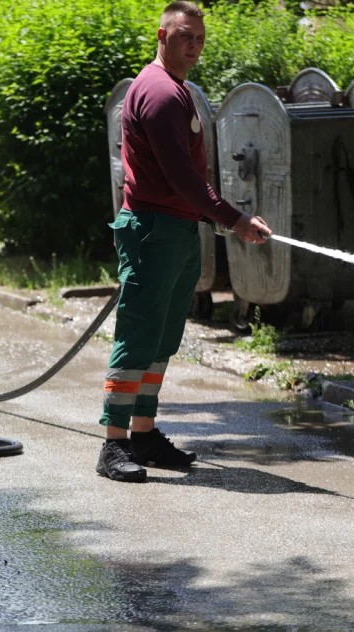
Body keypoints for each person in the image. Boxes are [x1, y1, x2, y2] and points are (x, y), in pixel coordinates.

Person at [97, 1, 273, 482]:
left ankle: (144, 434)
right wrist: (234, 220)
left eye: (199, 39)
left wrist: (214, 220)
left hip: (175, 230)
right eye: (184, 37)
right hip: (153, 231)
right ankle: (113, 444)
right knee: (138, 338)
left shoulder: (175, 89)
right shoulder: (158, 93)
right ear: (162, 36)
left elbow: (186, 181)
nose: (193, 46)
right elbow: (181, 178)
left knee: (161, 339)